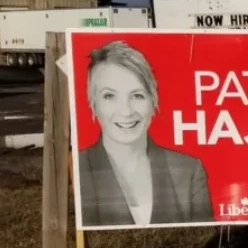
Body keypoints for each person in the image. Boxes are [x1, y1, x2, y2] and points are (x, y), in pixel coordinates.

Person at [77, 40, 214, 227]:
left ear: (153, 102)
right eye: (109, 96)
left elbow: (206, 238)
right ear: (93, 105)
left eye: (137, 95)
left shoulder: (188, 171)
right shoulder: (77, 169)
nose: (126, 111)